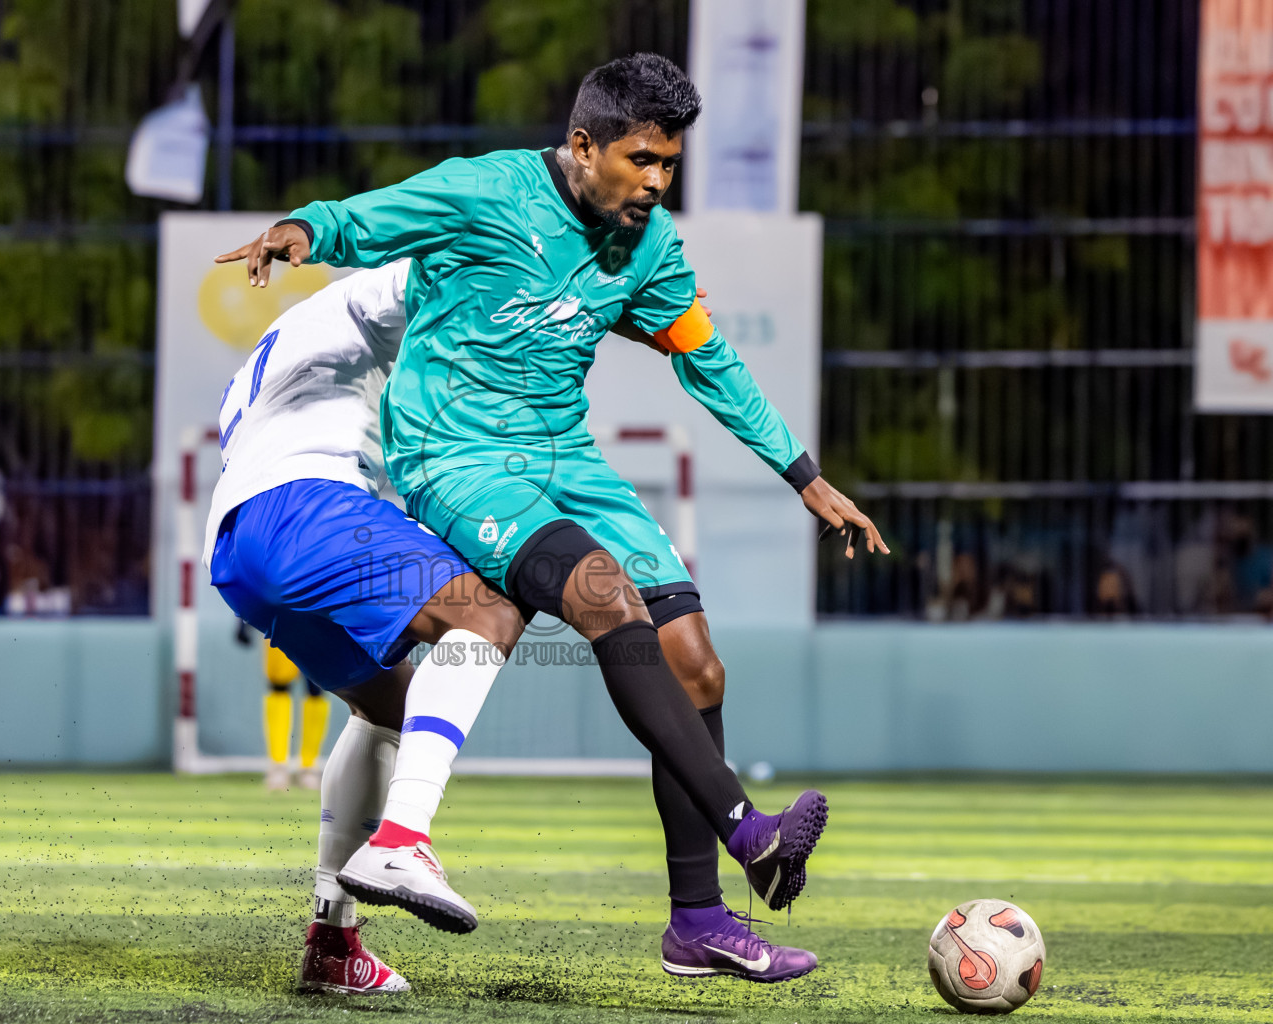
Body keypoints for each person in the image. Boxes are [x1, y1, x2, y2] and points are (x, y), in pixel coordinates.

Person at [217, 52, 887, 983]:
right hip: (456, 457)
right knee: (603, 600)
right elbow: (367, 219)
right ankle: (748, 828)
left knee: (697, 662)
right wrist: (299, 230)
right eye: (642, 160)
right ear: (583, 145)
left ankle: (697, 922)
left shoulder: (648, 246)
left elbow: (708, 359)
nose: (656, 184)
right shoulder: (485, 192)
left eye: (669, 166)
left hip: (566, 459)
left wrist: (804, 476)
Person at [203, 260, 525, 994]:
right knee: (486, 612)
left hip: (238, 547)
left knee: (389, 705)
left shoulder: (287, 349)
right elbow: (443, 277)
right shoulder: (370, 293)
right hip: (305, 509)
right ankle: (404, 840)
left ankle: (331, 939)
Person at [239, 630, 330, 791]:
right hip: (280, 612)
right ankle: (278, 764)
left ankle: (309, 765)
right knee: (278, 684)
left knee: (316, 686)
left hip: (317, 616)